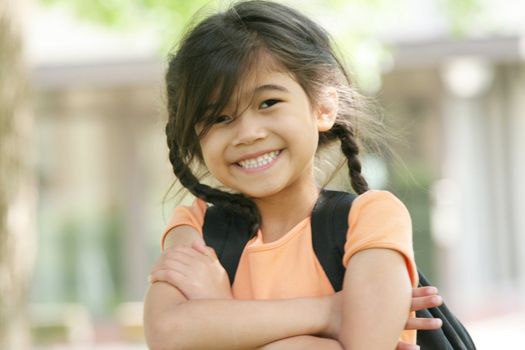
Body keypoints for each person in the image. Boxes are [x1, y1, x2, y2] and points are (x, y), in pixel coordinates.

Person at [144, 1, 443, 349]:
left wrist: (221, 315)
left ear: (323, 107)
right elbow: (166, 334)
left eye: (268, 103)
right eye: (220, 118)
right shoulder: (195, 229)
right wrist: (329, 312)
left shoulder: (372, 219)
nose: (248, 133)